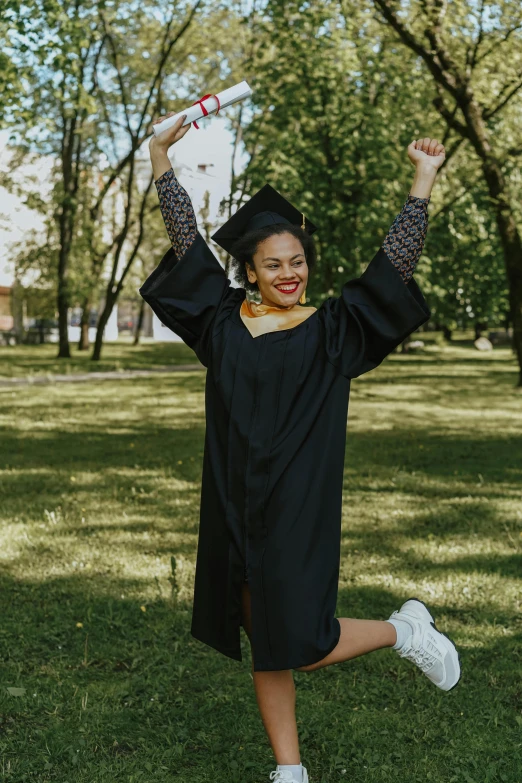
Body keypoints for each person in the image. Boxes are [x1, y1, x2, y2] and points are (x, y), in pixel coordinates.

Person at [141, 113, 461, 783]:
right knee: (266, 640)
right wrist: (160, 158)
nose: (289, 273)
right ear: (250, 271)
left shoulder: (333, 331)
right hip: (234, 504)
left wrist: (422, 181)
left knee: (306, 641)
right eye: (273, 264)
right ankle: (290, 770)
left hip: (295, 505)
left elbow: (392, 266)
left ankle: (406, 631)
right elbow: (185, 238)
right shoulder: (220, 321)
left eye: (297, 262)